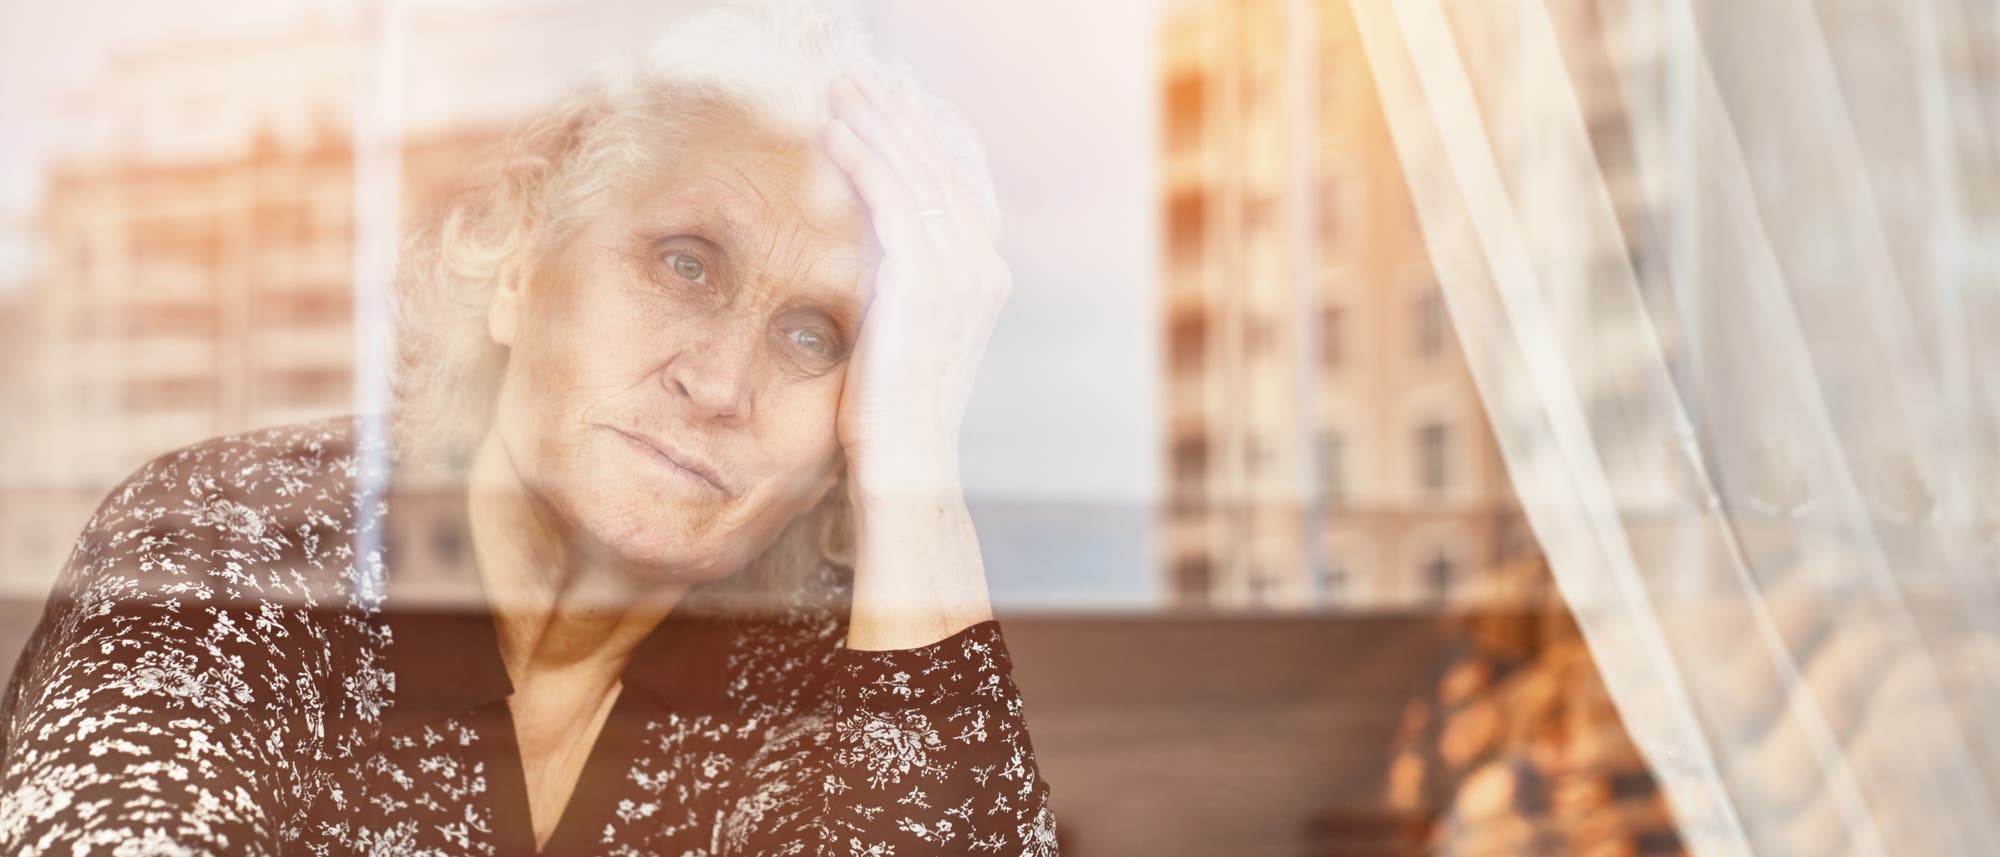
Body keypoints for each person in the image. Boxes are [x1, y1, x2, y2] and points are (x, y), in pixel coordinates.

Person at [0, 2, 1059, 854]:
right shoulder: (230, 541)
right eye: (685, 262)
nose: (719, 382)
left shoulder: (835, 667)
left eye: (812, 336)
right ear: (517, 263)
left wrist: (914, 459)